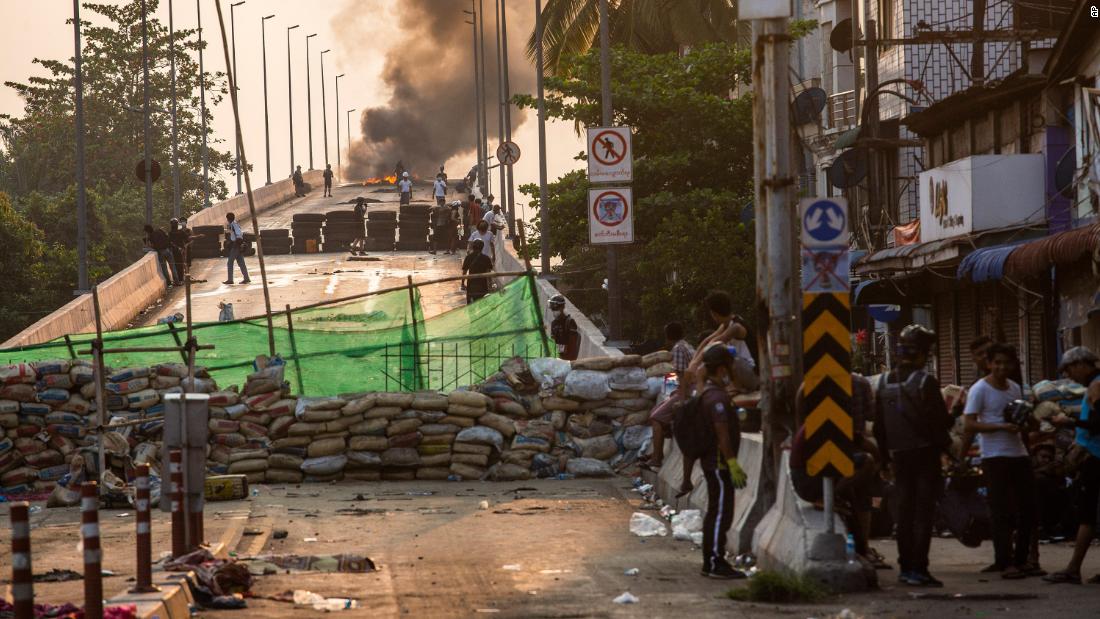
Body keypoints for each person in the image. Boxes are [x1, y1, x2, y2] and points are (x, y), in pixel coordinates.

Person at [872, 324, 952, 587]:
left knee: (904, 513)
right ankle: (919, 568)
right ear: (922, 354)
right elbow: (940, 424)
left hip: (899, 458)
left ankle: (906, 568)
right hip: (925, 457)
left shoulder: (882, 383)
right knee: (923, 513)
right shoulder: (925, 382)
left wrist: (884, 460)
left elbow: (879, 428)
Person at [959, 343, 1039, 579]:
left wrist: (1029, 425)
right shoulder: (979, 389)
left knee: (1027, 509)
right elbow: (970, 424)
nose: (1002, 367)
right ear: (989, 363)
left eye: (1006, 363)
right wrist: (1000, 427)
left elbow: (1022, 417)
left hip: (1019, 453)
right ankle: (1004, 562)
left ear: (1013, 365)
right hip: (994, 456)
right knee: (1000, 510)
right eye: (997, 362)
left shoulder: (1014, 388)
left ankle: (1022, 559)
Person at [1045, 347, 1100, 584]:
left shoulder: (1097, 386)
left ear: (1081, 364)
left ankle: (1073, 568)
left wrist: (1069, 421)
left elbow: (1098, 423)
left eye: (1069, 370)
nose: (1069, 376)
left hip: (1096, 457)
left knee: (1086, 513)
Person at [695, 345, 749, 579]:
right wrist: (732, 463)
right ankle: (715, 561)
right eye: (729, 366)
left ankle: (712, 561)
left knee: (719, 511)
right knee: (720, 513)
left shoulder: (710, 392)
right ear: (721, 369)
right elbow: (722, 433)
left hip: (715, 463)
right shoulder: (716, 397)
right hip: (718, 464)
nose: (733, 370)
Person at [643, 322, 695, 469]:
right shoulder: (687, 345)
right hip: (689, 388)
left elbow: (682, 374)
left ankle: (657, 457)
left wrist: (681, 398)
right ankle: (655, 452)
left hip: (688, 390)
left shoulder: (678, 349)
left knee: (655, 417)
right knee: (655, 412)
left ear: (667, 336)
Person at [548, 294, 580, 361]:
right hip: (556, 359)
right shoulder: (554, 324)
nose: (554, 311)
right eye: (553, 309)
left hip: (567, 359)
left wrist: (568, 361)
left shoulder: (569, 322)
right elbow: (552, 343)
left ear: (562, 307)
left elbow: (573, 346)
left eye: (556, 308)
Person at [461, 239, 493, 304]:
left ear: (473, 247)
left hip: (471, 285)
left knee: (470, 306)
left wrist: (462, 283)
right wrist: (490, 286)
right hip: (483, 285)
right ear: (482, 247)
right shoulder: (486, 258)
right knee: (482, 305)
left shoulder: (468, 257)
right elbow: (488, 274)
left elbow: (464, 272)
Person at [223, 212, 250, 285]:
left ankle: (230, 279)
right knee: (241, 263)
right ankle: (246, 278)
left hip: (236, 245)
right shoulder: (233, 224)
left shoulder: (234, 225)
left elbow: (239, 235)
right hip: (237, 245)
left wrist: (236, 245)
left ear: (228, 218)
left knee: (230, 262)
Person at [167, 218, 190, 286]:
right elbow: (187, 240)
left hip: (174, 251)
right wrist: (183, 248)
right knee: (180, 264)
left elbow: (168, 242)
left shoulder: (170, 233)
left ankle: (178, 280)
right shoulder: (180, 232)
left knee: (176, 265)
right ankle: (180, 279)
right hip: (179, 251)